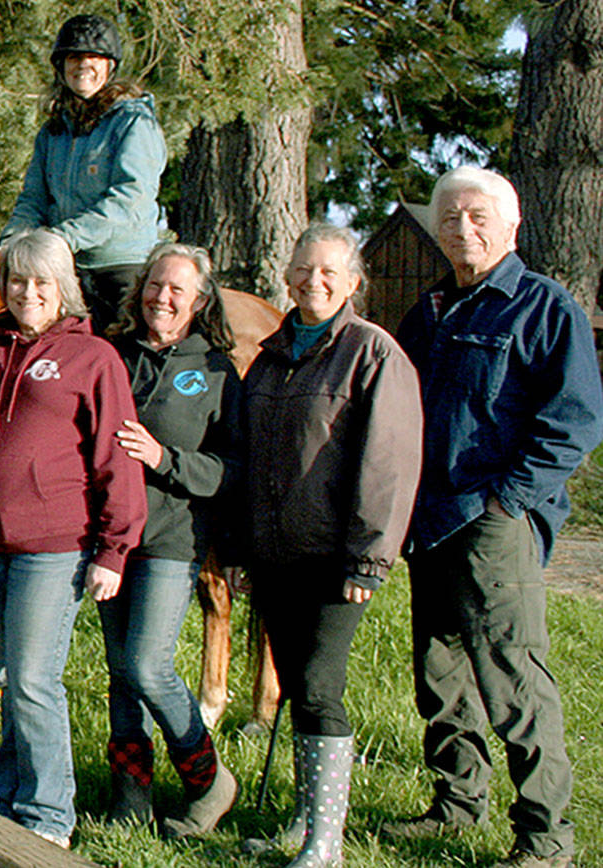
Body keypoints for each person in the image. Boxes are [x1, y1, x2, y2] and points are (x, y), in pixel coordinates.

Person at [386, 167, 603, 868]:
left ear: (511, 226)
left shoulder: (543, 308)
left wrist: (510, 500)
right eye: (449, 220)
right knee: (439, 673)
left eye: (478, 217)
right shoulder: (429, 313)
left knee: (512, 677)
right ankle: (456, 804)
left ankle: (546, 837)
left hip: (493, 519)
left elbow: (575, 422)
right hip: (431, 517)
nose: (462, 230)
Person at [0, 228, 147, 848]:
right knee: (7, 671)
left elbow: (116, 458)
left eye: (42, 281)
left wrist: (115, 547)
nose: (29, 292)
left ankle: (47, 818)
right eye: (18, 279)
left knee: (33, 678)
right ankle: (11, 788)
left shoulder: (93, 358)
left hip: (55, 545)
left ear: (63, 286)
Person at [239, 224, 422, 868]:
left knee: (318, 686)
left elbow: (388, 465)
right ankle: (303, 819)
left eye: (327, 272)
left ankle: (327, 842)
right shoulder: (269, 356)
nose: (311, 282)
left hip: (335, 560)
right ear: (286, 277)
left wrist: (368, 557)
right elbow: (247, 455)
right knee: (294, 684)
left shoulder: (373, 354)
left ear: (352, 282)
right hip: (274, 554)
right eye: (301, 270)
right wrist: (241, 547)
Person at [101, 242, 242, 835]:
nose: (162, 297)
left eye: (177, 289)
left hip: (171, 538)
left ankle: (209, 779)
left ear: (200, 301)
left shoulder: (215, 370)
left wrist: (165, 459)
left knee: (147, 663)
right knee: (118, 668)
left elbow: (232, 469)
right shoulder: (112, 354)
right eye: (155, 285)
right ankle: (130, 790)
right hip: (110, 536)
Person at [0, 13, 168, 332]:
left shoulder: (134, 123)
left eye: (94, 57)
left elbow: (129, 198)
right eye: (74, 57)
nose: (83, 64)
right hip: (63, 264)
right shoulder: (53, 132)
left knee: (134, 345)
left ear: (110, 65)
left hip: (119, 264)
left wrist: (64, 238)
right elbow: (33, 198)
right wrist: (10, 243)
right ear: (61, 67)